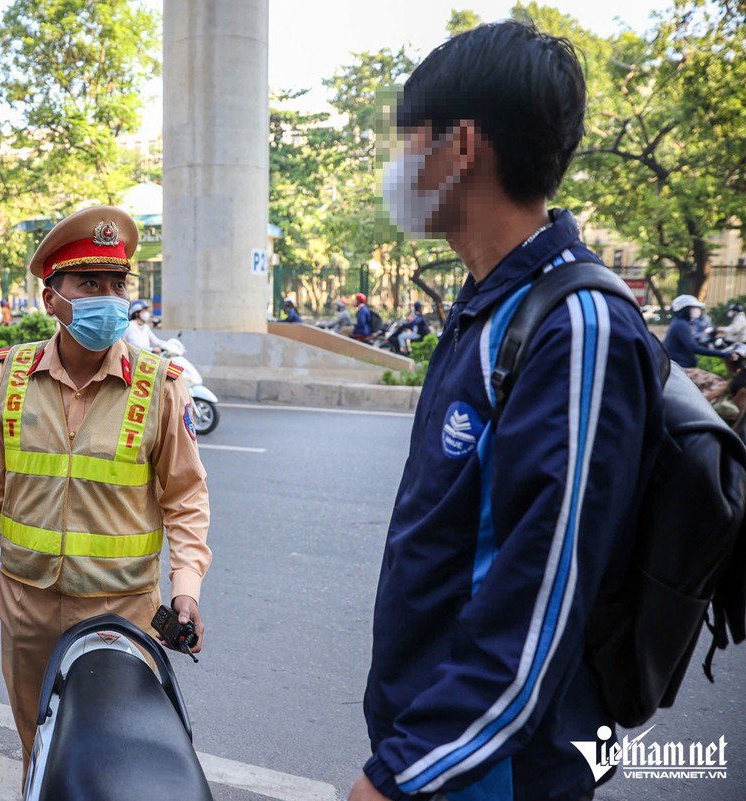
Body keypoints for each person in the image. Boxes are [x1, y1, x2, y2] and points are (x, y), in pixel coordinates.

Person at [353, 22, 665, 801]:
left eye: (408, 142)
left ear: (461, 147)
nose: (398, 168)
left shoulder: (577, 326)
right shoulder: (488, 307)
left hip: (501, 769)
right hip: (442, 753)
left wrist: (398, 777)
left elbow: (542, 604)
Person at [0, 205, 211, 776]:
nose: (108, 297)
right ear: (52, 299)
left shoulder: (160, 388)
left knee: (113, 759)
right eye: (89, 282)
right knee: (38, 751)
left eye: (116, 284)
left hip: (122, 613)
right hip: (26, 607)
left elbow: (186, 500)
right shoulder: (10, 377)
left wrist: (185, 589)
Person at [663, 295, 736, 369]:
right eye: (693, 308)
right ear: (685, 309)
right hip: (682, 368)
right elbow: (695, 348)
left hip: (681, 366)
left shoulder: (680, 323)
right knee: (717, 381)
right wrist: (724, 354)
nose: (697, 310)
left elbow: (694, 341)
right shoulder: (681, 325)